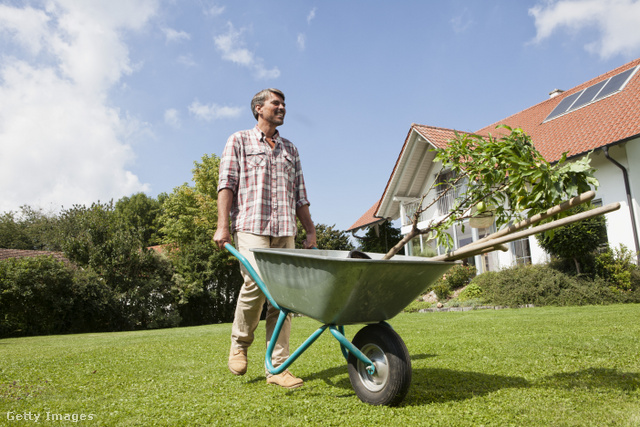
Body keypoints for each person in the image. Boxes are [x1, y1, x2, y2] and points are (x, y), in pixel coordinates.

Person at [213, 88, 317, 389]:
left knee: (284, 298)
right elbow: (226, 184)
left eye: (284, 104)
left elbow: (300, 194)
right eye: (276, 103)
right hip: (251, 226)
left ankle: (277, 367)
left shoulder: (290, 149)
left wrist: (309, 229)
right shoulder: (239, 140)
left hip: (285, 230)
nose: (282, 107)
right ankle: (240, 344)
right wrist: (223, 226)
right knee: (256, 283)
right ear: (259, 108)